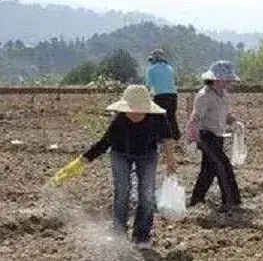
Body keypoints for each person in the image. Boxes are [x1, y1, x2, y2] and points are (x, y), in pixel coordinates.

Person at [51, 85, 177, 250]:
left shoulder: (158, 118)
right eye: (131, 109)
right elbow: (103, 144)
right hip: (120, 154)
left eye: (139, 110)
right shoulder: (120, 120)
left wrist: (170, 161)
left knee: (146, 195)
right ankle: (119, 232)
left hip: (148, 155)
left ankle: (142, 235)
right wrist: (76, 165)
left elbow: (168, 138)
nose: (135, 113)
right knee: (122, 191)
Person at [186, 60, 242, 213]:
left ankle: (196, 200)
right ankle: (231, 201)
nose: (229, 82)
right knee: (223, 165)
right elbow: (195, 118)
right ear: (216, 80)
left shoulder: (223, 95)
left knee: (208, 170)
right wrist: (193, 138)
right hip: (205, 136)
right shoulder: (204, 96)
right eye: (227, 80)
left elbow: (225, 114)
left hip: (218, 135)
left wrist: (235, 122)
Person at [146, 49, 181, 141]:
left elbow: (149, 86)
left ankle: (161, 140)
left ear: (154, 59)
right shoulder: (170, 68)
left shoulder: (151, 69)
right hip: (173, 95)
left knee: (158, 118)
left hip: (160, 96)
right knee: (171, 117)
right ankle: (176, 139)